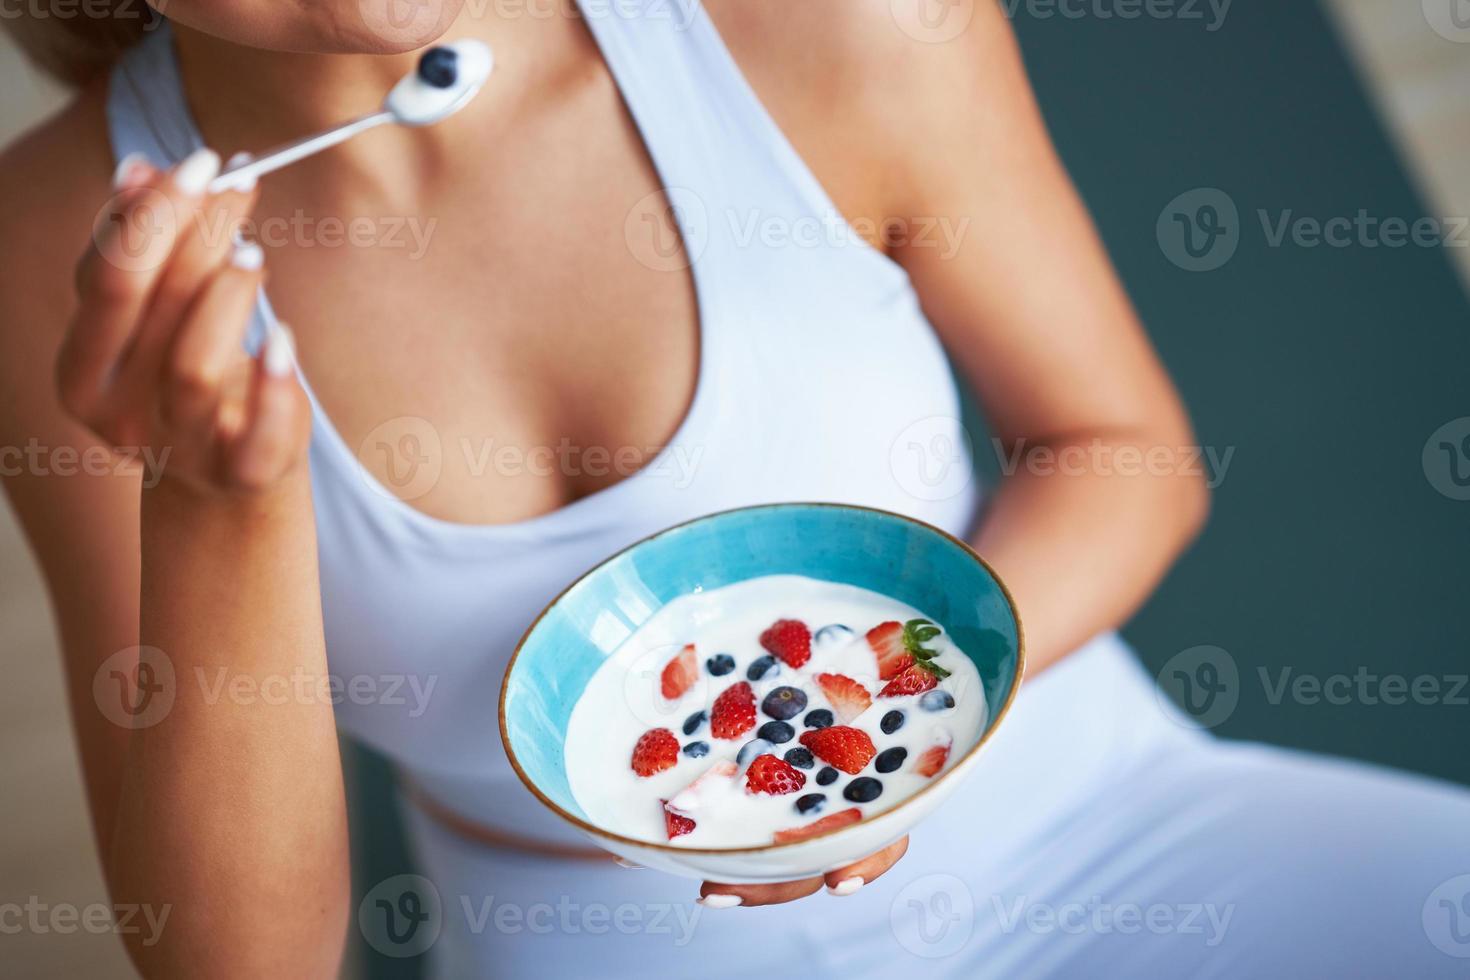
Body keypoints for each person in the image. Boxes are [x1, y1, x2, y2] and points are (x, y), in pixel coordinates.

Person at [2, 1, 1467, 976]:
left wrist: (876, 730)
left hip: (1105, 834)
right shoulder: (44, 251)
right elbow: (233, 958)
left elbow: (1121, 456)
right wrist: (218, 497)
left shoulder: (834, 22)